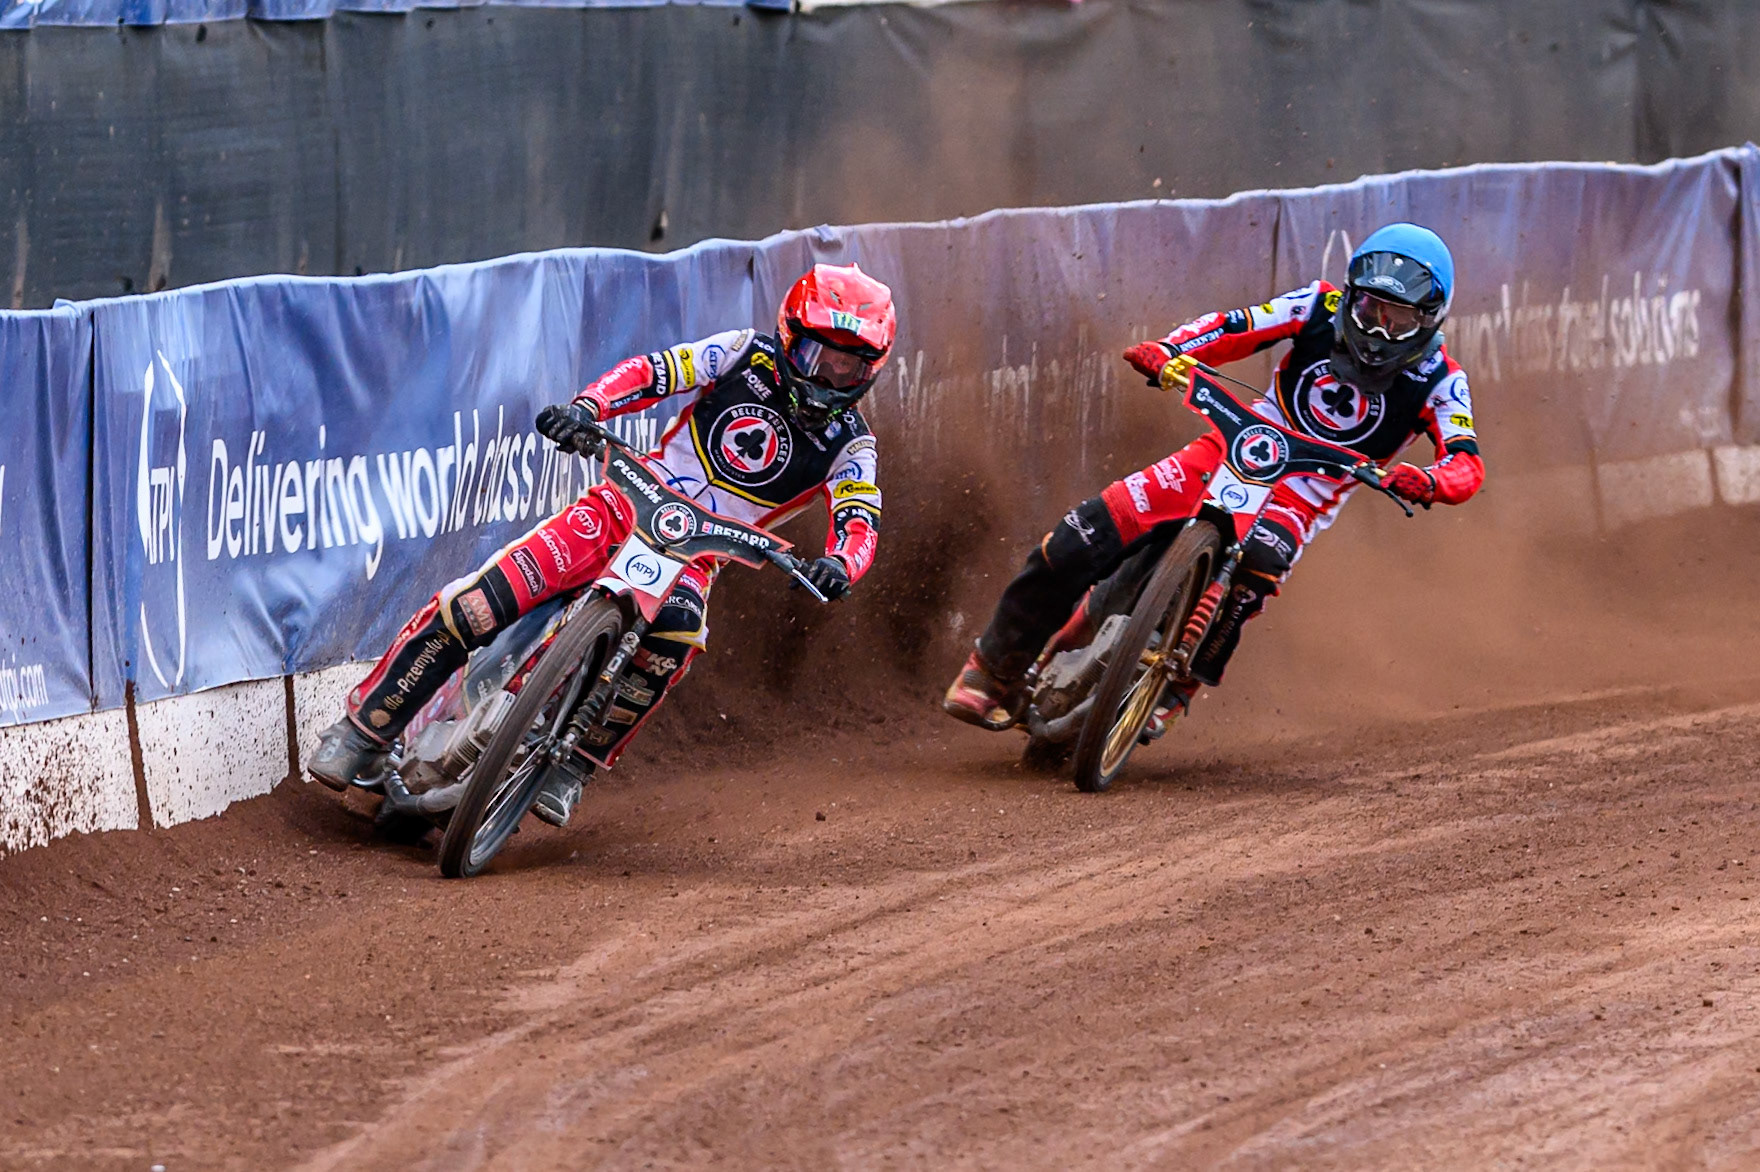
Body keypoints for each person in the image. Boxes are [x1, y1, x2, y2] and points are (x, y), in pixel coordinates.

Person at [311, 262, 895, 826]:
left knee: (677, 637)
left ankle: (577, 767)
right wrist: (589, 408)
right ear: (789, 337)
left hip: (696, 555)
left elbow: (859, 519)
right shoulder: (745, 353)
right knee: (481, 602)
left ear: (870, 371)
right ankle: (363, 731)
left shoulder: (854, 446)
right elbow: (654, 371)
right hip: (625, 504)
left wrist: (840, 565)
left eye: (847, 368)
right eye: (818, 357)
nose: (827, 378)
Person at [943, 222, 1484, 730]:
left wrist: (1431, 481)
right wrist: (1172, 350)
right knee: (1083, 534)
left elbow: (1466, 461)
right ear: (1351, 294)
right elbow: (1238, 326)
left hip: (1302, 495)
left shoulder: (1441, 380)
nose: (1376, 328)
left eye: (1399, 318)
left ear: (1431, 319)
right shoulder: (1319, 305)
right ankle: (991, 669)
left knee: (1258, 571)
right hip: (1231, 447)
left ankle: (1176, 693)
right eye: (1369, 308)